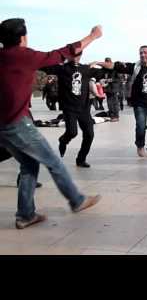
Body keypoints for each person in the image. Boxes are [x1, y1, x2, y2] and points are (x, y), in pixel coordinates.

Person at [0, 18, 102, 229]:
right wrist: (92, 36)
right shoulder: (24, 56)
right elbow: (61, 53)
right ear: (22, 37)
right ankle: (77, 200)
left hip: (4, 126)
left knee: (29, 165)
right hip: (17, 123)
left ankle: (26, 215)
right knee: (53, 161)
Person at [41, 52, 108, 168]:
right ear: (69, 56)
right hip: (69, 108)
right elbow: (42, 65)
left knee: (89, 134)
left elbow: (109, 70)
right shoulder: (62, 69)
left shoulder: (86, 69)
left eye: (78, 55)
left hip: (84, 108)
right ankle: (63, 140)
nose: (76, 57)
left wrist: (98, 63)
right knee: (72, 132)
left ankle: (81, 159)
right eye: (73, 55)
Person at [102, 57, 121, 122]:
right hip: (107, 88)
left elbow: (119, 79)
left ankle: (116, 116)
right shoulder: (103, 69)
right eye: (106, 62)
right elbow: (100, 77)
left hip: (114, 88)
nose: (107, 63)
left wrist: (112, 80)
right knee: (109, 102)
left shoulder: (115, 69)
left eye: (108, 62)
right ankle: (111, 115)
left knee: (115, 102)